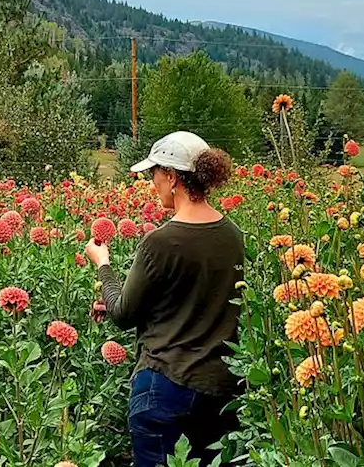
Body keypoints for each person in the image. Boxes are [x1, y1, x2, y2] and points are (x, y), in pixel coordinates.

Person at [84, 131, 245, 467]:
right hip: (221, 392)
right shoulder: (233, 236)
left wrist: (104, 266)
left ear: (172, 177)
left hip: (166, 387)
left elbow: (124, 313)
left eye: (154, 174)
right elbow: (197, 300)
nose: (151, 182)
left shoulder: (161, 241)